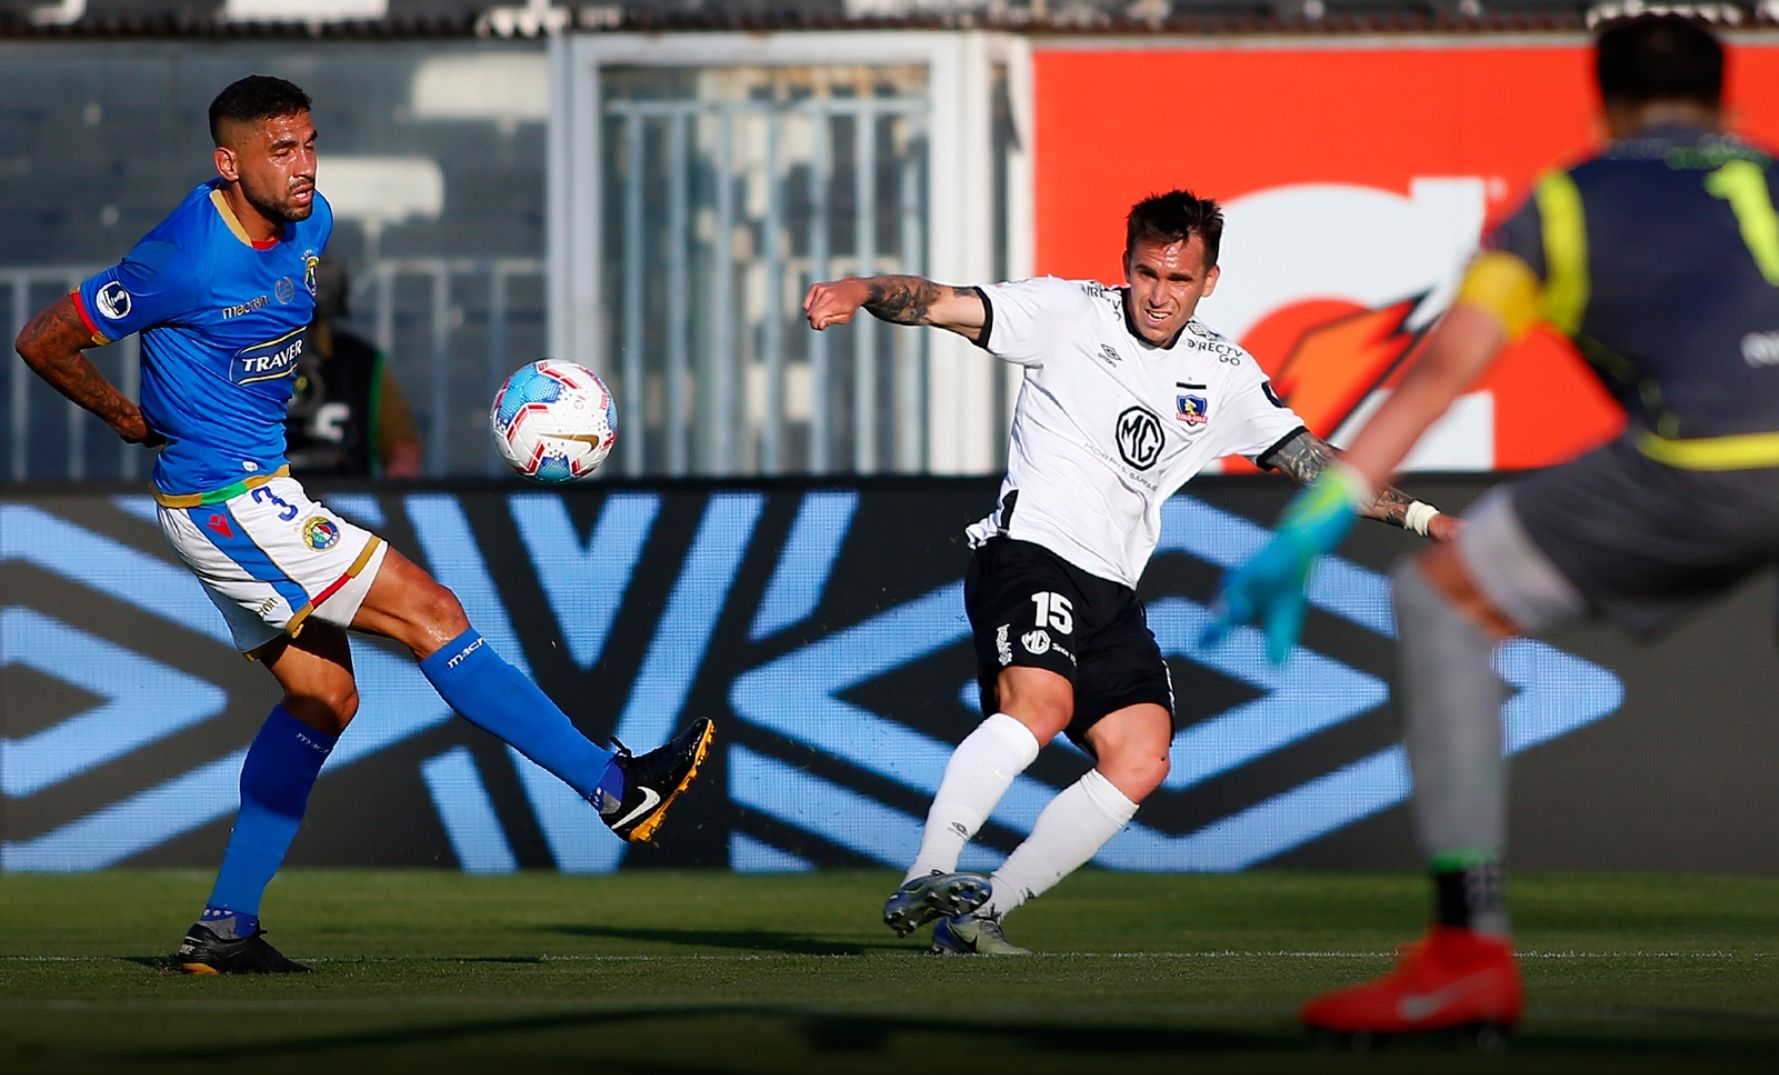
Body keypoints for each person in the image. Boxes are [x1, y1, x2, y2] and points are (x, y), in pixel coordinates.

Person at [1210, 14, 1779, 1039]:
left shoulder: (1568, 201)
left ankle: (1467, 955)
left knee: (1442, 601)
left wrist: (1310, 525)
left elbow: (1442, 373)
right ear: (1732, 108)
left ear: (1603, 112)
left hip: (1728, 455)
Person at [12, 75, 716, 975]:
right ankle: (617, 788)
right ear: (228, 164)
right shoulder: (180, 258)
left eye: (309, 143)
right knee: (435, 615)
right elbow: (42, 339)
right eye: (280, 150)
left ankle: (225, 929)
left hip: (251, 494)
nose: (304, 166)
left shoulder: (312, 223)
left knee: (325, 697)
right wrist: (124, 415)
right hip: (228, 503)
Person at [803, 190, 1460, 954]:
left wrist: (1429, 521)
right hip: (1030, 551)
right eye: (1147, 273)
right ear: (1126, 266)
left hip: (1112, 590)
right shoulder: (1066, 313)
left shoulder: (1224, 372)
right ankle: (929, 870)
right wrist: (862, 289)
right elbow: (938, 302)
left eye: (1178, 279)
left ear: (1209, 281)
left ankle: (980, 915)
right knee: (1041, 705)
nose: (1159, 294)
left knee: (1142, 756)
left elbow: (1316, 464)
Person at [285, 253, 423, 478]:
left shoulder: (362, 363)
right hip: (264, 492)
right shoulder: (242, 359)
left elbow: (403, 447)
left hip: (346, 493)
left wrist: (397, 480)